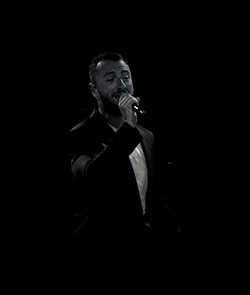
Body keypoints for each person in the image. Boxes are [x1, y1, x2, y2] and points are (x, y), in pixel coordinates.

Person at [70, 52, 173, 259]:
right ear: (94, 90)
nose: (122, 85)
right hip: (101, 250)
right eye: (111, 79)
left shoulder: (146, 136)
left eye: (126, 77)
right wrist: (128, 128)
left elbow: (152, 196)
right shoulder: (81, 135)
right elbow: (93, 176)